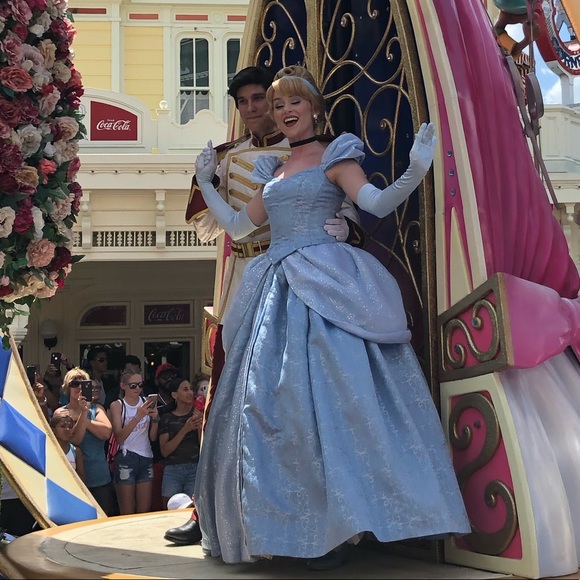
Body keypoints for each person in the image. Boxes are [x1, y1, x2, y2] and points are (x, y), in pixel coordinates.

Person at [190, 64, 471, 569]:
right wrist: (206, 180)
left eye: (293, 102)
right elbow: (237, 226)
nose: (284, 111)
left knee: (338, 401)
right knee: (270, 408)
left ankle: (342, 527)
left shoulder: (336, 155)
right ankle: (284, 526)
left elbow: (376, 203)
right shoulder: (274, 172)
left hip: (327, 281)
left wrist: (416, 168)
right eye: (278, 104)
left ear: (315, 108)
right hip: (275, 284)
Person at [164, 64, 365, 546]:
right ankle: (212, 507)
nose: (254, 109)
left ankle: (311, 510)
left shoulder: (309, 152)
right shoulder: (226, 157)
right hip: (243, 277)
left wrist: (349, 225)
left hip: (301, 276)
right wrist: (206, 181)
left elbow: (344, 202)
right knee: (226, 392)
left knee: (298, 392)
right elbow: (224, 225)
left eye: (262, 99)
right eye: (245, 102)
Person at [61, 368, 119, 516]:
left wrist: (84, 415)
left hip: (100, 477)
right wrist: (85, 415)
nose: (79, 387)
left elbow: (106, 433)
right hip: (74, 478)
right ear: (67, 387)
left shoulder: (97, 408)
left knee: (103, 520)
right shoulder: (61, 412)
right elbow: (75, 440)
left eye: (83, 383)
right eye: (74, 384)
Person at [109, 369, 159, 515]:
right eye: (133, 386)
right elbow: (119, 437)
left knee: (144, 511)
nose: (138, 388)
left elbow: (153, 437)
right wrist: (138, 416)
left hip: (146, 456)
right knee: (127, 512)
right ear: (123, 386)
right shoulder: (118, 405)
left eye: (140, 385)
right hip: (126, 457)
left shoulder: (146, 403)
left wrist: (155, 419)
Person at [158, 377, 203, 508]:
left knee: (194, 509)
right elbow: (165, 451)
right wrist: (185, 429)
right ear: (174, 395)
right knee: (170, 509)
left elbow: (203, 447)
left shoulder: (197, 415)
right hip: (173, 469)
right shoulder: (167, 418)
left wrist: (200, 427)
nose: (190, 393)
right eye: (185, 389)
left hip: (194, 468)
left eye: (191, 389)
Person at [50, 408, 85, 481]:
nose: (67, 429)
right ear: (53, 430)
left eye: (70, 427)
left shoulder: (76, 451)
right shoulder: (47, 448)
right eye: (63, 426)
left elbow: (81, 478)